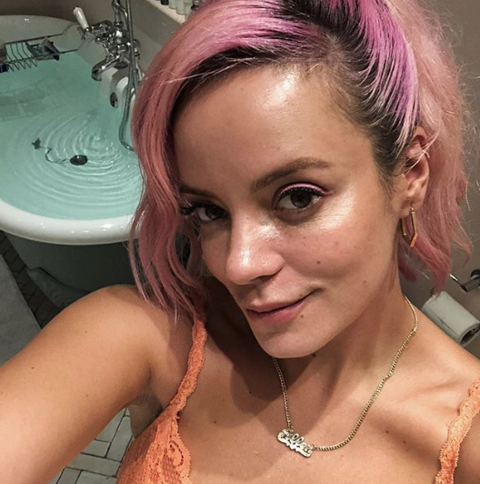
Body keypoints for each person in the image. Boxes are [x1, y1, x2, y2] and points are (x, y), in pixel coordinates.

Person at [1, 0, 480, 482]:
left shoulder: (464, 440)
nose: (237, 265)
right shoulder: (153, 337)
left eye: (297, 197)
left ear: (410, 174)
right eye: (208, 211)